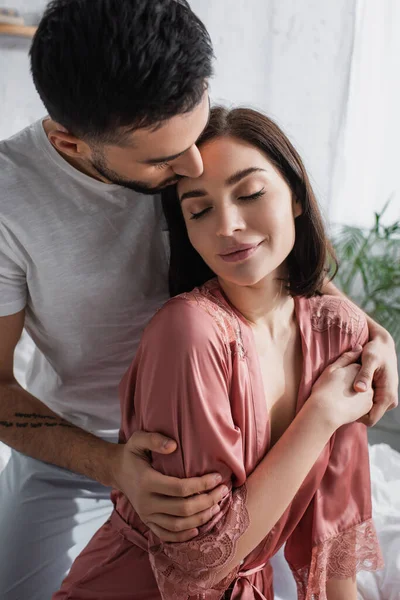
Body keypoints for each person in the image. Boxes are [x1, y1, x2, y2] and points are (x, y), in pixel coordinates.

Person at [0, 1, 396, 598]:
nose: (193, 163)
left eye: (197, 120)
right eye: (165, 164)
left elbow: (270, 248)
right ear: (73, 145)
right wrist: (118, 470)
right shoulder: (10, 202)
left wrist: (367, 329)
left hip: (241, 446)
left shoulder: (175, 114)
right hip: (81, 449)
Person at [53, 106, 384, 599]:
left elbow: (333, 564)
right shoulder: (189, 333)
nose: (227, 224)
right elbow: (199, 560)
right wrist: (320, 416)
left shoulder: (339, 333)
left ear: (295, 195)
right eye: (199, 209)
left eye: (250, 193)